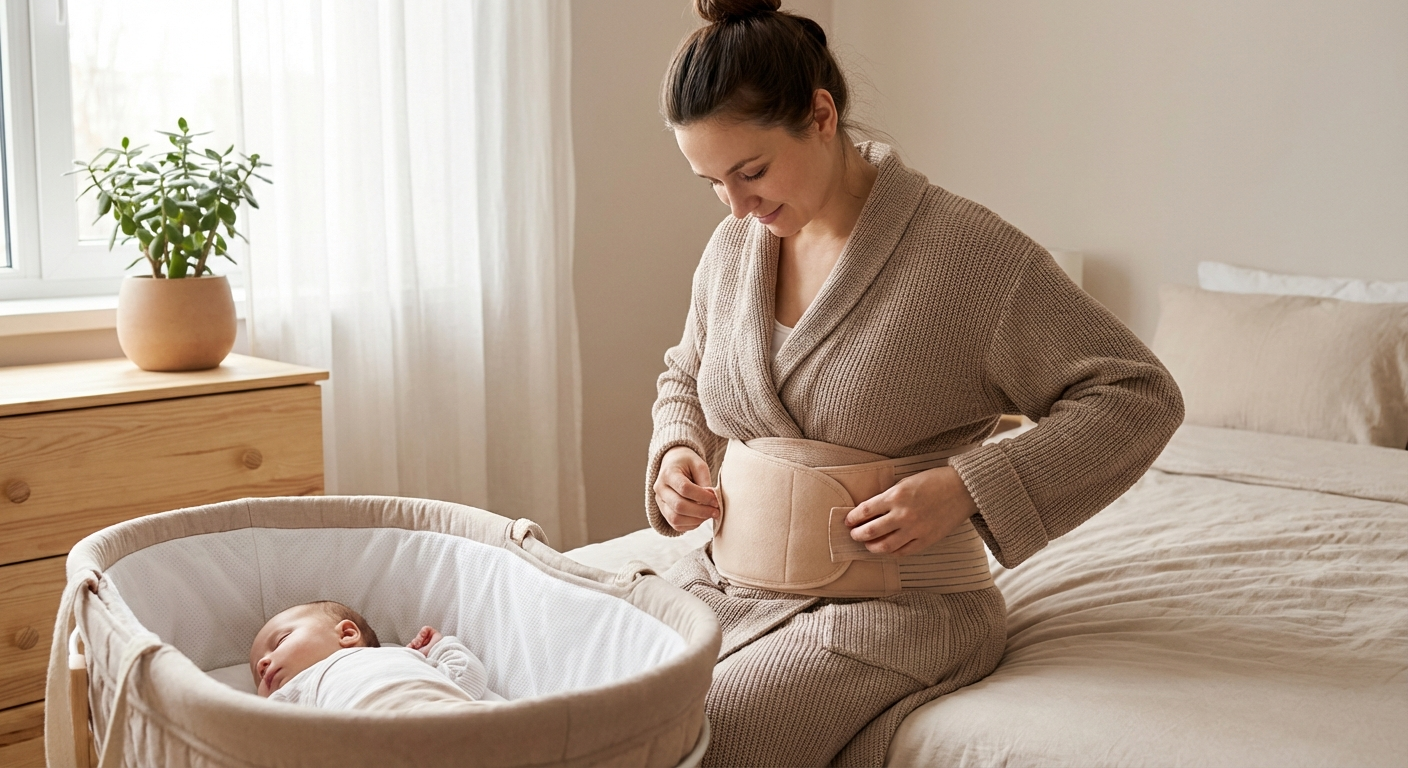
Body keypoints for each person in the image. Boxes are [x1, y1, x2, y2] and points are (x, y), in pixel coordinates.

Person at [646, 1, 1184, 765]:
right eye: (711, 183)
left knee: (703, 736)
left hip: (895, 609)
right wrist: (676, 453)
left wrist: (968, 484)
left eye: (751, 171)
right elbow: (686, 372)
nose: (736, 205)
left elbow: (1137, 394)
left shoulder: (968, 255)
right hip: (722, 586)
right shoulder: (735, 246)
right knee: (585, 693)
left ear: (822, 115)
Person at [248, 601, 503, 711]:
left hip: (458, 719)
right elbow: (270, 736)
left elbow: (468, 676)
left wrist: (438, 648)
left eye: (280, 641)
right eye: (258, 677)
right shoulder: (298, 690)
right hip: (376, 741)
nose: (262, 664)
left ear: (347, 633)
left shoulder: (405, 657)